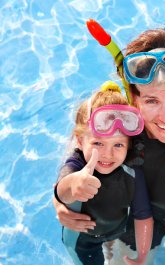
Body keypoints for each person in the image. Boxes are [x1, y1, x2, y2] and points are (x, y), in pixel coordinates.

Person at [53, 27, 165, 264]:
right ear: (134, 99)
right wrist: (61, 197)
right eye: (151, 100)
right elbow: (80, 157)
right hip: (140, 219)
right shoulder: (123, 130)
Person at [54, 82, 153, 265]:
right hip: (82, 241)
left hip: (117, 229)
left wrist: (142, 254)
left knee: (113, 246)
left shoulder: (132, 170)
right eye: (98, 143)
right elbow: (62, 190)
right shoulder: (77, 165)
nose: (107, 154)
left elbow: (142, 214)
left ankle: (109, 245)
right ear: (80, 140)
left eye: (118, 145)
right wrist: (74, 185)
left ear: (129, 145)